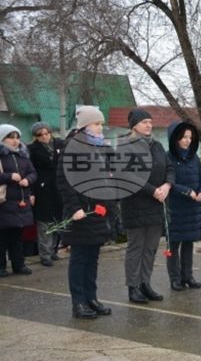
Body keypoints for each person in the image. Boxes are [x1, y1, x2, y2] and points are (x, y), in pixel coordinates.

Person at [56, 107, 116, 318]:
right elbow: (64, 182)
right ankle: (78, 303)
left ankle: (91, 298)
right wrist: (76, 209)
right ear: (84, 126)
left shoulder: (99, 147)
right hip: (81, 213)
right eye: (96, 124)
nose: (100, 128)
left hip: (98, 211)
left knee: (93, 258)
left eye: (101, 124)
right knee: (80, 258)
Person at [121, 108, 175, 303]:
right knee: (136, 247)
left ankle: (145, 283)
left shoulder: (157, 146)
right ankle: (133, 286)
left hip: (157, 203)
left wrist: (167, 185)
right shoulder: (125, 146)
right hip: (136, 204)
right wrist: (153, 190)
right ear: (134, 125)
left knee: (151, 247)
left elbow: (169, 167)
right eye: (144, 122)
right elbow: (128, 176)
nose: (149, 125)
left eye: (150, 122)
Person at [166, 121, 201, 290]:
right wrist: (187, 191)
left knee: (188, 243)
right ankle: (175, 278)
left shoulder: (194, 157)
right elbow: (169, 182)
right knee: (174, 244)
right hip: (176, 207)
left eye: (190, 137)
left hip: (192, 208)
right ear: (175, 138)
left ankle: (187, 276)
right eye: (184, 137)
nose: (187, 140)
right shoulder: (168, 157)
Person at [0, 124, 37, 277]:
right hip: (4, 202)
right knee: (2, 238)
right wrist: (8, 177)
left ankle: (18, 264)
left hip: (20, 203)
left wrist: (28, 180)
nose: (15, 141)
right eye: (11, 137)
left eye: (17, 137)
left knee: (17, 236)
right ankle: (1, 267)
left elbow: (33, 172)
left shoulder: (23, 155)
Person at [28, 122, 64, 267]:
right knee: (44, 222)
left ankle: (53, 250)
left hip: (59, 187)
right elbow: (30, 170)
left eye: (46, 133)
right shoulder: (31, 149)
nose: (44, 136)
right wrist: (32, 192)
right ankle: (45, 254)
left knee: (58, 220)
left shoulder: (59, 144)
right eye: (40, 134)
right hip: (42, 188)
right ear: (35, 137)